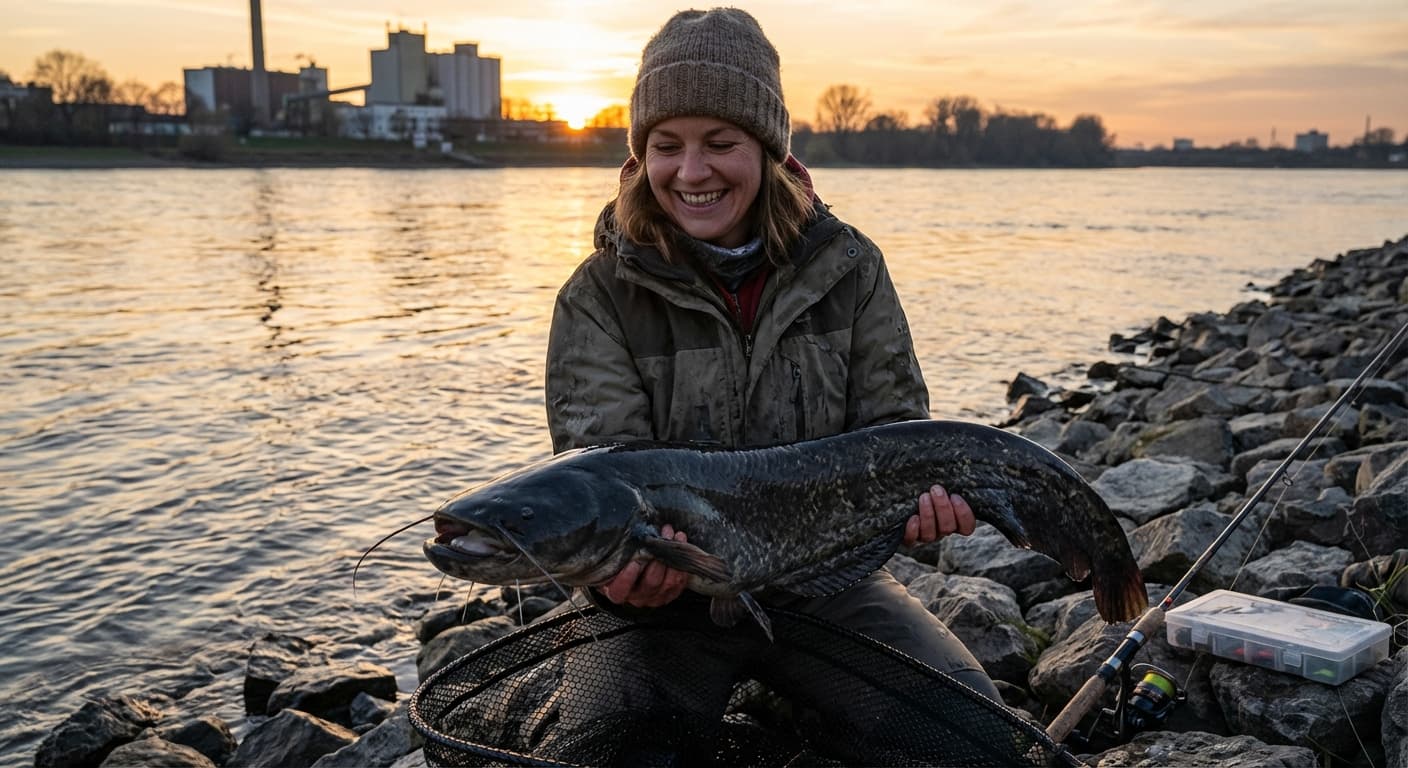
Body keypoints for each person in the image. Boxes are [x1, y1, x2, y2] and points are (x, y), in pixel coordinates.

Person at [544, 7, 1001, 705]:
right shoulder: (595, 296)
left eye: (720, 142)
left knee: (972, 726)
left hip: (831, 586)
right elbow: (596, 473)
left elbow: (899, 429)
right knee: (607, 740)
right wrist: (616, 573)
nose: (691, 171)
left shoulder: (851, 268)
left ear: (768, 150)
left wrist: (928, 504)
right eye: (666, 145)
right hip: (657, 607)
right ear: (640, 156)